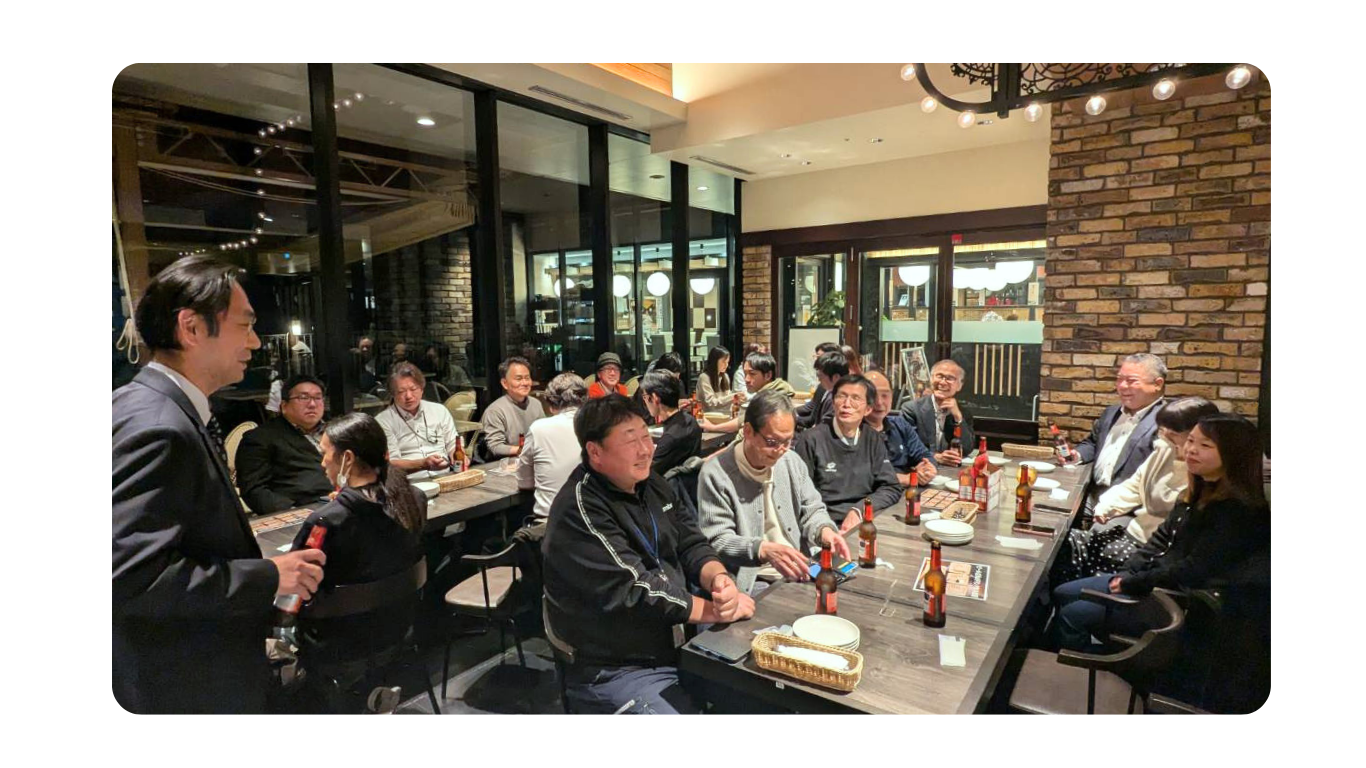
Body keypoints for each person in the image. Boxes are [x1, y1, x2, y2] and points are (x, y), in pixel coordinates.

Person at [113, 255, 326, 713]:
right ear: (191, 328)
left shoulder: (149, 404)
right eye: (244, 325)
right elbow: (131, 578)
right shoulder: (158, 425)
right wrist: (270, 575)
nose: (255, 341)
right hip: (183, 681)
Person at [542, 395, 755, 714]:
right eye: (631, 441)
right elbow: (635, 590)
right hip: (615, 665)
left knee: (759, 693)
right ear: (595, 452)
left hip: (677, 640)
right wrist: (716, 611)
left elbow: (690, 541)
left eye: (646, 436)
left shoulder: (651, 483)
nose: (645, 449)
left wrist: (719, 578)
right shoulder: (581, 508)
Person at [1051, 414, 1269, 651]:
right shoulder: (1197, 491)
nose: (1191, 450)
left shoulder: (1238, 511)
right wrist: (1128, 572)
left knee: (1072, 614)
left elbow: (1192, 570)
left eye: (1205, 445)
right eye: (1191, 441)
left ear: (1234, 454)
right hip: (1153, 582)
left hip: (1178, 602)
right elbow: (1159, 539)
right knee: (1062, 592)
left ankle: (1085, 664)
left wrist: (1133, 583)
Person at [292, 412, 426, 661]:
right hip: (399, 627)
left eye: (324, 453)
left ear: (348, 458)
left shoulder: (326, 521)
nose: (322, 463)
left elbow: (294, 593)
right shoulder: (414, 499)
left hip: (339, 641)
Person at [697, 390, 850, 595]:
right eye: (771, 442)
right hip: (754, 579)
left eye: (787, 441)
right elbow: (717, 539)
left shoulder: (790, 461)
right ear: (748, 431)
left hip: (800, 568)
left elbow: (812, 509)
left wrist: (824, 531)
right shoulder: (716, 474)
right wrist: (762, 549)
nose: (780, 450)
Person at [1056, 397, 1220, 583]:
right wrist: (1108, 506)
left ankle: (1074, 595)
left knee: (1069, 549)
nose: (1164, 436)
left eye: (1173, 433)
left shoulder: (1200, 470)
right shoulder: (1164, 449)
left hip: (1148, 548)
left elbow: (1168, 509)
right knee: (1064, 542)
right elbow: (1136, 483)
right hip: (1134, 533)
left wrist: (1181, 462)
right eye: (1162, 430)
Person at [793, 374, 903, 533]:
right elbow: (802, 497)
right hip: (824, 525)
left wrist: (858, 510)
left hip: (863, 520)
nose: (846, 404)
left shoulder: (873, 438)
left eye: (855, 398)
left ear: (868, 409)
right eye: (841, 397)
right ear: (833, 402)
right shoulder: (811, 440)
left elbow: (891, 487)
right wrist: (824, 528)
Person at [1070, 353, 1168, 514]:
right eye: (1119, 379)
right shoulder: (1111, 412)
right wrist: (1077, 455)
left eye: (1131, 381)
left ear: (1157, 384)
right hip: (1091, 495)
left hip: (1129, 508)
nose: (1122, 386)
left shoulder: (1166, 423)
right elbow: (1093, 443)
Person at [235, 374, 335, 514]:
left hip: (345, 503)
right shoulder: (260, 438)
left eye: (318, 398)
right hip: (304, 510)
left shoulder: (337, 431)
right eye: (303, 397)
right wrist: (294, 513)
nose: (312, 404)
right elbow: (254, 490)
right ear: (284, 406)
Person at [518, 373, 588, 519]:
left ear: (551, 404)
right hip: (592, 519)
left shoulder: (538, 428)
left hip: (549, 521)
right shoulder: (598, 424)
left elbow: (525, 482)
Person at [375, 362, 461, 481]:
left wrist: (458, 456)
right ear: (393, 393)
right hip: (408, 482)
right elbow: (391, 463)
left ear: (422, 389)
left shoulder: (439, 411)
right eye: (401, 391)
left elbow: (453, 444)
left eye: (413, 389)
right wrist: (422, 463)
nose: (408, 396)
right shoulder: (383, 421)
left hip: (445, 477)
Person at [862, 369, 936, 487]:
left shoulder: (900, 424)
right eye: (873, 395)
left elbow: (925, 455)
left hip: (907, 491)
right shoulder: (852, 431)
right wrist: (903, 478)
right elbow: (858, 474)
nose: (879, 402)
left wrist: (927, 469)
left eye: (885, 395)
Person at [899, 358, 974, 465]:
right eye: (939, 376)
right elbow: (905, 445)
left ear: (959, 386)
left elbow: (967, 449)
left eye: (950, 378)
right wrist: (936, 457)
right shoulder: (911, 409)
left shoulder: (963, 413)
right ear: (931, 379)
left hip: (950, 470)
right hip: (920, 467)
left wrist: (958, 418)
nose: (943, 382)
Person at [699, 352, 794, 436]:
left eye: (752, 374)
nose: (746, 379)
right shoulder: (773, 392)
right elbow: (742, 420)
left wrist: (713, 427)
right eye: (745, 374)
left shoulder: (770, 399)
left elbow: (742, 422)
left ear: (768, 375)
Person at [478, 356, 546, 462]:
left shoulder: (536, 404)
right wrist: (524, 450)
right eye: (518, 379)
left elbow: (543, 435)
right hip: (503, 464)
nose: (525, 383)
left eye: (527, 378)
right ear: (505, 383)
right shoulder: (495, 411)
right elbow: (495, 447)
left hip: (533, 460)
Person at [640, 371, 701, 476]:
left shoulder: (670, 437)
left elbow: (647, 474)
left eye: (645, 396)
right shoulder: (691, 421)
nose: (644, 401)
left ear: (655, 398)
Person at [794, 350, 849, 431]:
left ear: (836, 377)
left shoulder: (838, 400)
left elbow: (823, 430)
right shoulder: (826, 390)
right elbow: (813, 417)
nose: (818, 379)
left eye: (820, 375)